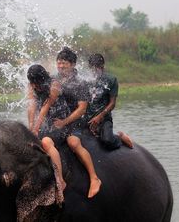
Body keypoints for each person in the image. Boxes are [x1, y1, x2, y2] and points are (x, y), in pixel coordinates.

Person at [51, 47, 101, 198]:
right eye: (58, 62)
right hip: (57, 120)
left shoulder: (80, 83)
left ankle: (94, 177)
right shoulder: (54, 80)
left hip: (75, 122)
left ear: (73, 64)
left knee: (73, 143)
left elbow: (82, 109)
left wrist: (64, 122)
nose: (60, 66)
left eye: (64, 63)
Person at [27, 64, 68, 193]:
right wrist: (30, 128)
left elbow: (45, 107)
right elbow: (32, 106)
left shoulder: (54, 85)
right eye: (31, 82)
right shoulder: (32, 85)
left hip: (59, 122)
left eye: (35, 82)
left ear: (42, 78)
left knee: (46, 142)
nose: (33, 85)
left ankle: (60, 180)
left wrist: (36, 129)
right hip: (45, 123)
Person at [86, 53, 133, 150]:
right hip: (87, 117)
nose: (94, 71)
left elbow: (112, 104)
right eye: (92, 68)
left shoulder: (111, 80)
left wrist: (99, 117)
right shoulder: (86, 80)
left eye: (96, 68)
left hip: (104, 118)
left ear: (102, 67)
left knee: (107, 140)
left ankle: (119, 138)